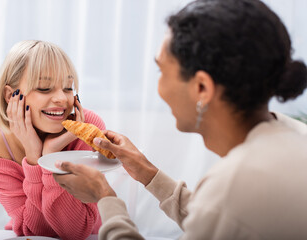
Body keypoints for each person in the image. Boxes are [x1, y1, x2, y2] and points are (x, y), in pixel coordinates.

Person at [53, 0, 307, 239]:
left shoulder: (234, 184)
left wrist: (105, 197)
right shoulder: (291, 133)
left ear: (201, 88)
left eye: (161, 71)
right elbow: (217, 219)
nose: (159, 87)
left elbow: (219, 211)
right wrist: (146, 172)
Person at [0, 40, 102, 239]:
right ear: (10, 95)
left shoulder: (88, 128)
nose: (62, 99)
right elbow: (35, 231)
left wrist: (50, 157)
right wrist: (34, 158)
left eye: (68, 87)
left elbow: (75, 231)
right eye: (44, 88)